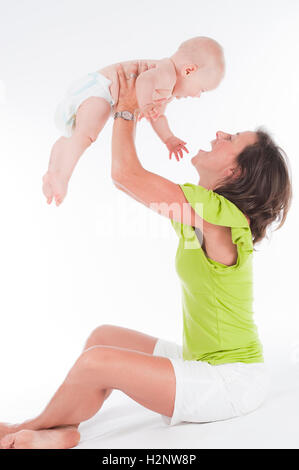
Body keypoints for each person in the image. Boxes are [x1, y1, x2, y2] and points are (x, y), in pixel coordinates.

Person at [0, 63, 292, 449]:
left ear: (235, 172)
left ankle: (35, 426)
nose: (221, 133)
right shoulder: (205, 213)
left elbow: (125, 174)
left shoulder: (222, 218)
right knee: (102, 338)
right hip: (202, 361)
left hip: (229, 382)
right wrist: (138, 108)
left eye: (232, 138)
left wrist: (126, 107)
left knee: (97, 362)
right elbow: (132, 182)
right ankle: (60, 431)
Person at [42, 36, 224, 206]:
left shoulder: (167, 90)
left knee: (78, 136)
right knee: (86, 134)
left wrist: (168, 138)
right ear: (189, 71)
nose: (198, 95)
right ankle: (61, 176)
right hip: (100, 88)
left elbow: (158, 116)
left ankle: (54, 170)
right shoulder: (166, 73)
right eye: (202, 89)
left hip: (96, 92)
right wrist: (145, 105)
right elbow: (144, 81)